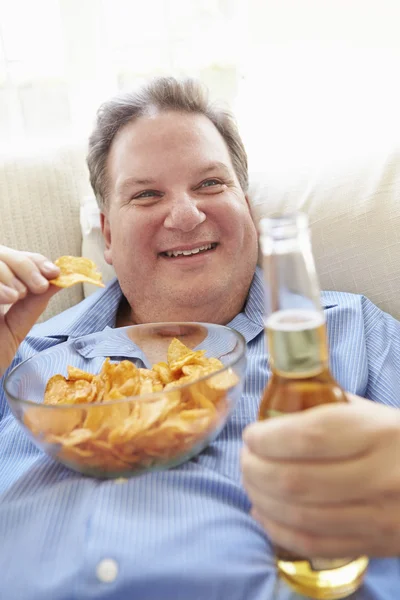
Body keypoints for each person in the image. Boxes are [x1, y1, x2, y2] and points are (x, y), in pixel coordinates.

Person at [0, 76, 399, 600]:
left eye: (211, 184)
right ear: (110, 238)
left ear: (249, 213)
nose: (187, 216)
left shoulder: (352, 331)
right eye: (146, 194)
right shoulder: (20, 355)